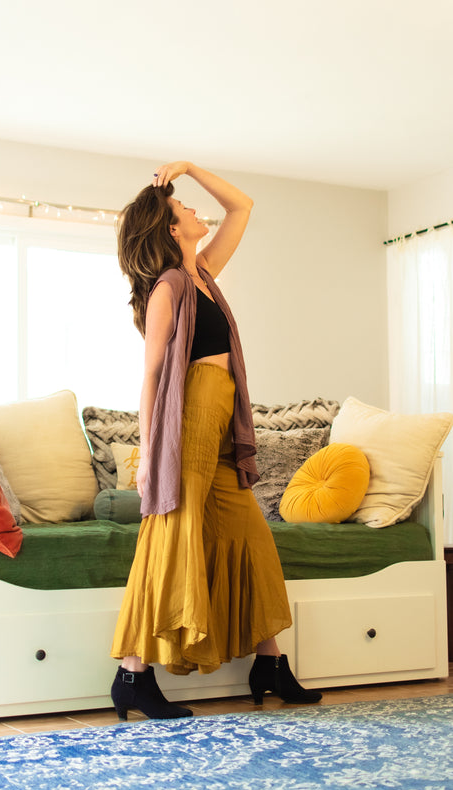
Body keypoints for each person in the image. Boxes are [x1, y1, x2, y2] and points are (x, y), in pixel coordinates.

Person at [110, 161, 322, 720]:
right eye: (183, 208)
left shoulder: (202, 273)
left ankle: (268, 663)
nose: (193, 210)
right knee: (168, 541)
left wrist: (190, 169)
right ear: (171, 229)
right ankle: (132, 673)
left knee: (250, 539)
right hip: (189, 428)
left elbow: (241, 206)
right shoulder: (169, 287)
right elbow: (153, 375)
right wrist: (150, 451)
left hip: (222, 423)